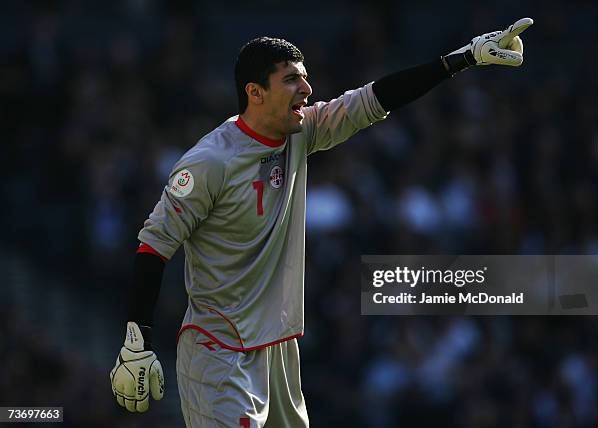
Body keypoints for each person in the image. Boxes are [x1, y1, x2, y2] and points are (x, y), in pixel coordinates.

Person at [110, 17, 533, 427]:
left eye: (305, 77)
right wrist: (137, 341)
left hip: (279, 351)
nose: (307, 89)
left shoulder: (302, 132)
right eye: (292, 79)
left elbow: (375, 98)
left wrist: (463, 58)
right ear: (255, 92)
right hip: (220, 353)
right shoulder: (208, 163)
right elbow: (154, 245)